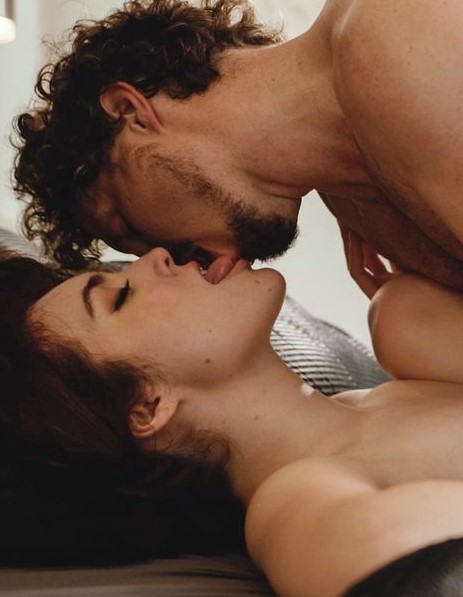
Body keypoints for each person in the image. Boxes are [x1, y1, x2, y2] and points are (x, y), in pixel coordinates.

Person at [4, 233, 463, 595]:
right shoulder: (295, 504)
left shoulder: (406, 350)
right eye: (121, 296)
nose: (155, 257)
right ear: (148, 407)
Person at [12, 0, 463, 289]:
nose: (164, 259)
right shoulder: (359, 207)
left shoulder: (400, 28)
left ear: (129, 111)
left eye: (124, 225)